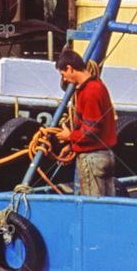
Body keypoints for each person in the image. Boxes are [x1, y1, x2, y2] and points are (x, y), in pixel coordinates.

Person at [55, 49, 117, 196]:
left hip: (92, 159)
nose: (64, 79)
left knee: (92, 205)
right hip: (106, 155)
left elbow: (90, 131)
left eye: (63, 74)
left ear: (70, 68)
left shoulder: (89, 92)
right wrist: (72, 146)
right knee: (107, 204)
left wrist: (69, 136)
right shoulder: (98, 85)